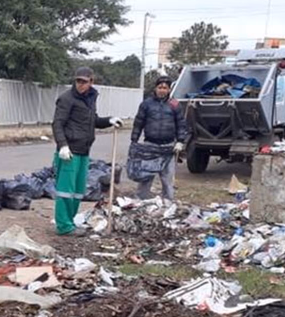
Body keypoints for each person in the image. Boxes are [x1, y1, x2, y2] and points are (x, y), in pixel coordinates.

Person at [51, 66, 123, 236]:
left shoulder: (90, 99)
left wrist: (109, 120)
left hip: (84, 151)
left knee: (77, 191)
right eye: (78, 81)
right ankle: (64, 226)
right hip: (69, 152)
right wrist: (62, 145)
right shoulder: (66, 99)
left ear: (91, 82)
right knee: (65, 191)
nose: (80, 85)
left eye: (84, 81)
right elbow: (57, 124)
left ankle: (71, 221)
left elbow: (93, 121)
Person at [128, 76, 188, 201]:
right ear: (155, 88)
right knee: (146, 176)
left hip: (168, 147)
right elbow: (138, 123)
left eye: (165, 88)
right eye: (160, 87)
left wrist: (180, 141)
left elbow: (181, 124)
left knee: (167, 178)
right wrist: (134, 140)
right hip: (150, 146)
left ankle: (168, 202)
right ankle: (140, 200)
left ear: (169, 90)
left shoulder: (175, 105)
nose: (162, 90)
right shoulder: (146, 104)